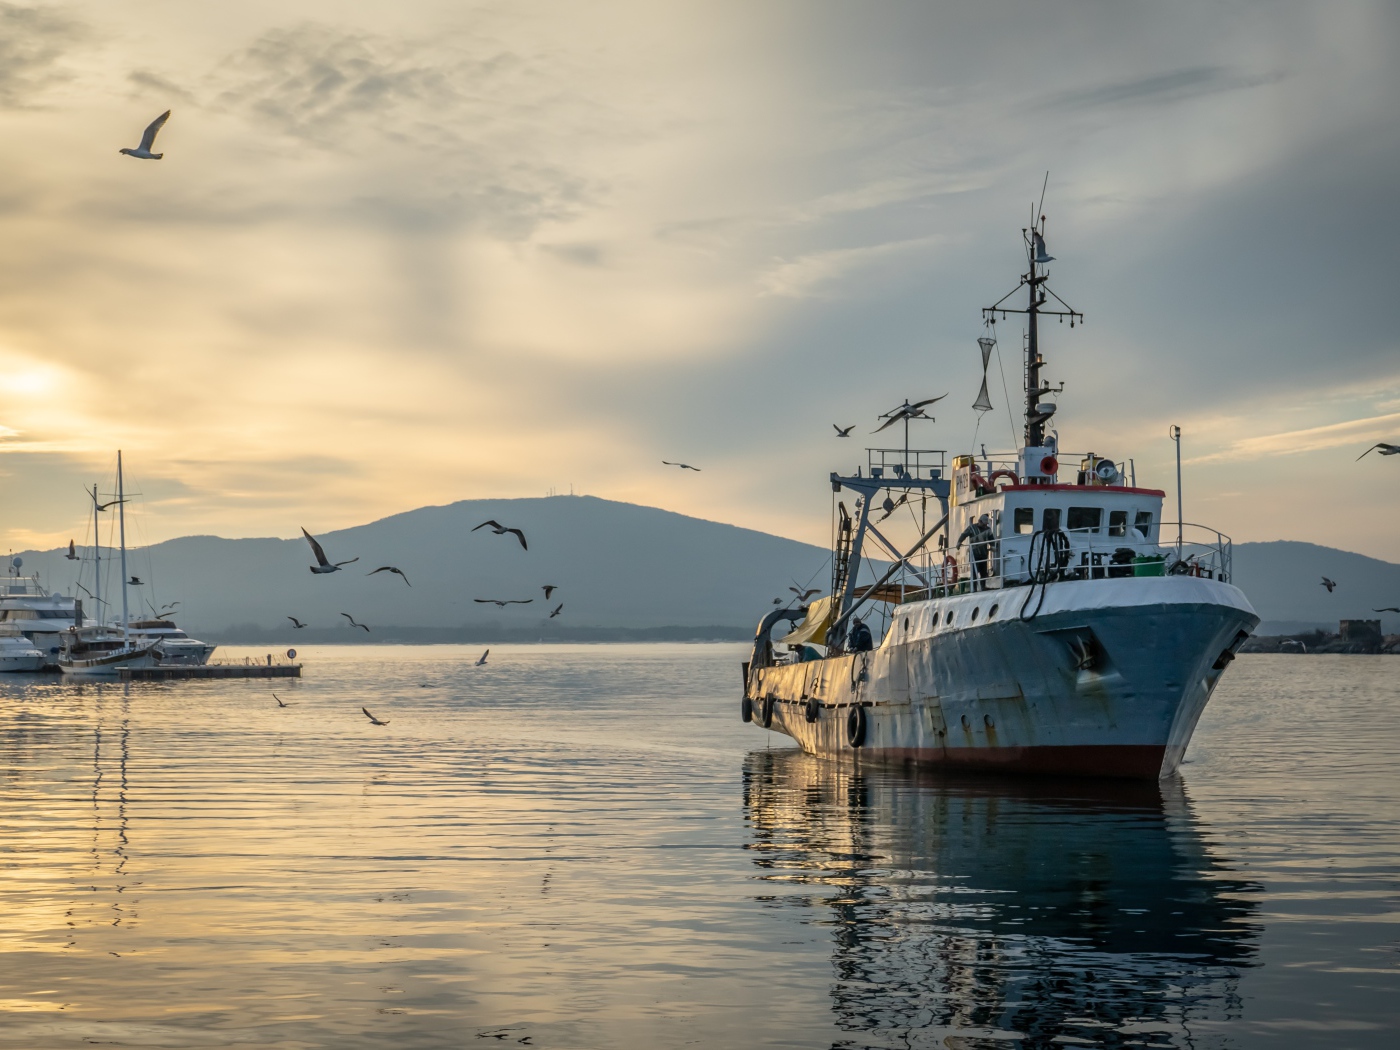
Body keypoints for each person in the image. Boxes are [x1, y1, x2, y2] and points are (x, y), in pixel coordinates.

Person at [957, 513, 994, 590]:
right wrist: (959, 542)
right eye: (984, 524)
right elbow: (964, 534)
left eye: (986, 524)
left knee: (983, 572)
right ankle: (973, 588)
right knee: (974, 572)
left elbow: (991, 539)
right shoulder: (972, 528)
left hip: (983, 554)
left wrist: (993, 546)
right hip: (974, 554)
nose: (985, 526)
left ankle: (983, 587)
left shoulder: (987, 530)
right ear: (979, 521)